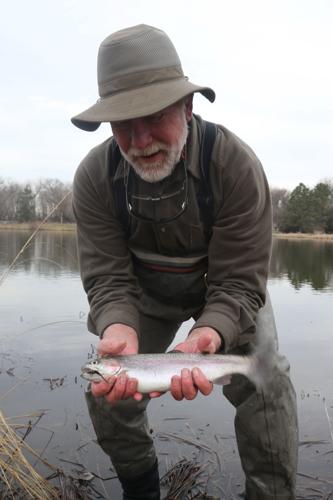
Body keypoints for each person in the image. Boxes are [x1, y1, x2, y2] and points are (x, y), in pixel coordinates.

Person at [71, 24, 298, 500]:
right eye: (122, 123)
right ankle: (142, 488)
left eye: (153, 116)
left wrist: (210, 333)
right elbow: (108, 278)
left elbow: (239, 282)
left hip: (225, 290)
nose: (140, 138)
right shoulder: (95, 176)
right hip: (142, 294)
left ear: (188, 107)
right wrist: (117, 326)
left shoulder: (234, 165)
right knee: (106, 396)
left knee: (268, 388)